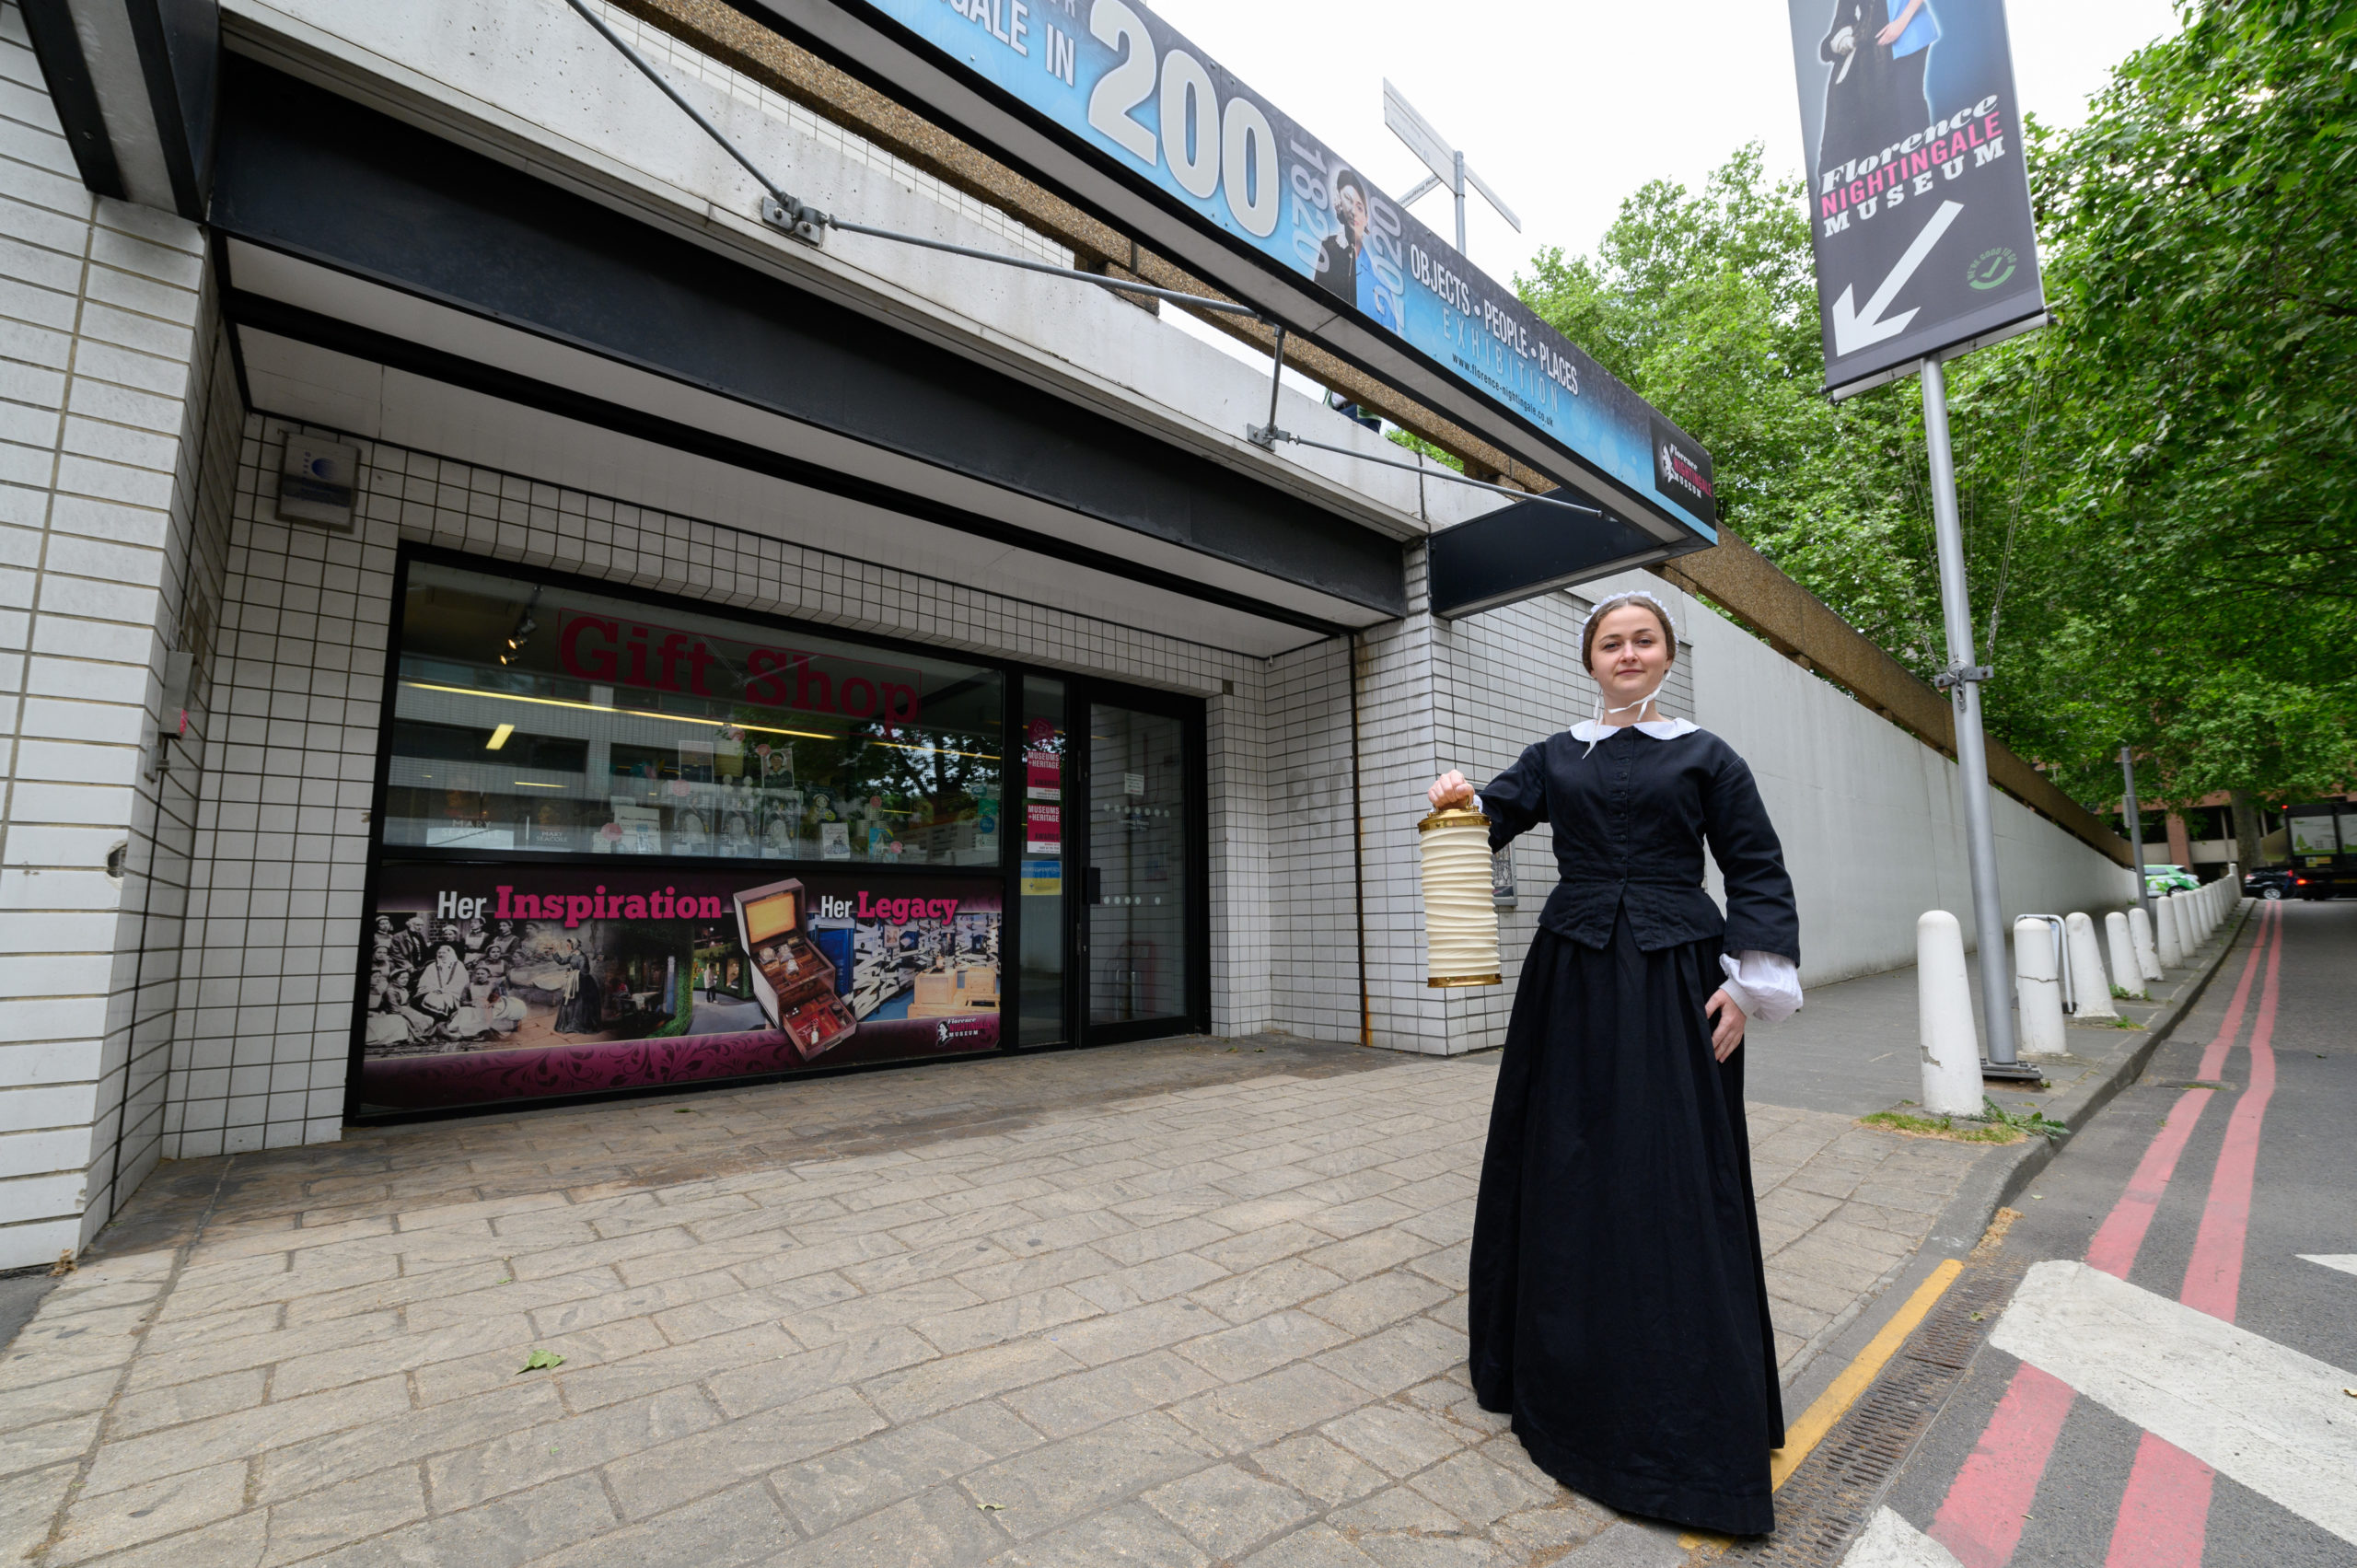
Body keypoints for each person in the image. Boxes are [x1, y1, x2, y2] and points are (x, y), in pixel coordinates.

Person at [1425, 590, 1801, 1537]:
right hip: (1570, 980)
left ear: (1665, 654)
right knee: (1563, 1160)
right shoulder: (1554, 754)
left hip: (1678, 981)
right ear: (1589, 658)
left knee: (1673, 1175)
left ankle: (1682, 1418)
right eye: (1610, 640)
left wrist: (1749, 986)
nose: (1627, 652)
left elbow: (1754, 866)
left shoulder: (1709, 755)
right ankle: (1558, 1373)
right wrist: (1455, 797)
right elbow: (1489, 816)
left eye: (1643, 639)